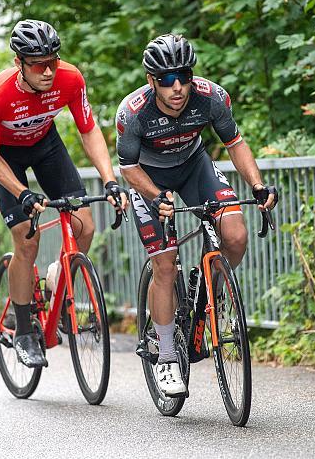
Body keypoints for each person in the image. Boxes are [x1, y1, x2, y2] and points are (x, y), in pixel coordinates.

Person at [116, 34, 277, 396]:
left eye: (183, 76)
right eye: (167, 79)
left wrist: (258, 186)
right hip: (149, 178)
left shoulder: (211, 97)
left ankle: (215, 296)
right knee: (165, 264)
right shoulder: (133, 112)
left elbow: (235, 143)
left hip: (193, 167)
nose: (177, 87)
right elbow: (127, 167)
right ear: (151, 81)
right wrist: (156, 196)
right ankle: (168, 356)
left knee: (235, 235)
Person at [0, 20, 128, 368]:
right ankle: (25, 331)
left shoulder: (70, 79)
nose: (47, 71)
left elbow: (89, 130)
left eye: (53, 61)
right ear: (19, 63)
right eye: (38, 64)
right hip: (6, 157)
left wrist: (110, 180)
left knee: (85, 226)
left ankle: (57, 290)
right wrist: (23, 193)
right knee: (26, 240)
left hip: (46, 146)